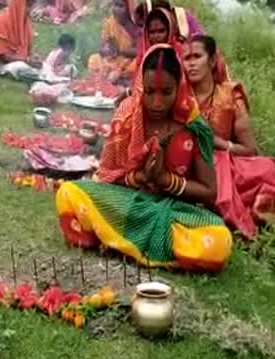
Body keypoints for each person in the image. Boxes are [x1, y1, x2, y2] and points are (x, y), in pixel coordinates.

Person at [55, 44, 232, 272]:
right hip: (126, 201)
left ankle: (115, 239)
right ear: (140, 86)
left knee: (219, 240)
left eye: (166, 92)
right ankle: (153, 247)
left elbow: (209, 191)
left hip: (174, 211)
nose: (157, 103)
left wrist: (165, 180)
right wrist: (141, 177)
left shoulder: (195, 127)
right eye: (149, 92)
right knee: (69, 192)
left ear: (180, 86)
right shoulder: (127, 116)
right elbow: (108, 175)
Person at [184, 35, 275, 239]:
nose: (191, 63)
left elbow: (249, 150)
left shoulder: (230, 96)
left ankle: (263, 224)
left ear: (212, 60)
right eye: (186, 58)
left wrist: (217, 143)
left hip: (226, 160)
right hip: (186, 163)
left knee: (267, 170)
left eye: (197, 56)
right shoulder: (179, 95)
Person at [87, 0, 141, 82]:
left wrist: (120, 51)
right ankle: (108, 78)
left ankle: (121, 77)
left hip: (127, 60)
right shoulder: (110, 23)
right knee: (94, 59)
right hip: (112, 60)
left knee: (137, 64)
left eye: (121, 6)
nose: (117, 9)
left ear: (130, 8)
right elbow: (102, 48)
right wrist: (107, 50)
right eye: (115, 5)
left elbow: (140, 51)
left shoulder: (136, 26)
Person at [0, 0, 42, 80]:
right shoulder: (0, 22)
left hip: (23, 62)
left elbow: (28, 51)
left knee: (43, 66)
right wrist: (27, 60)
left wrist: (34, 57)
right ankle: (41, 77)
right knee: (20, 67)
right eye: (27, 6)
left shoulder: (26, 24)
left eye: (31, 6)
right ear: (18, 5)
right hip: (3, 66)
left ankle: (42, 76)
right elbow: (2, 56)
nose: (29, 10)